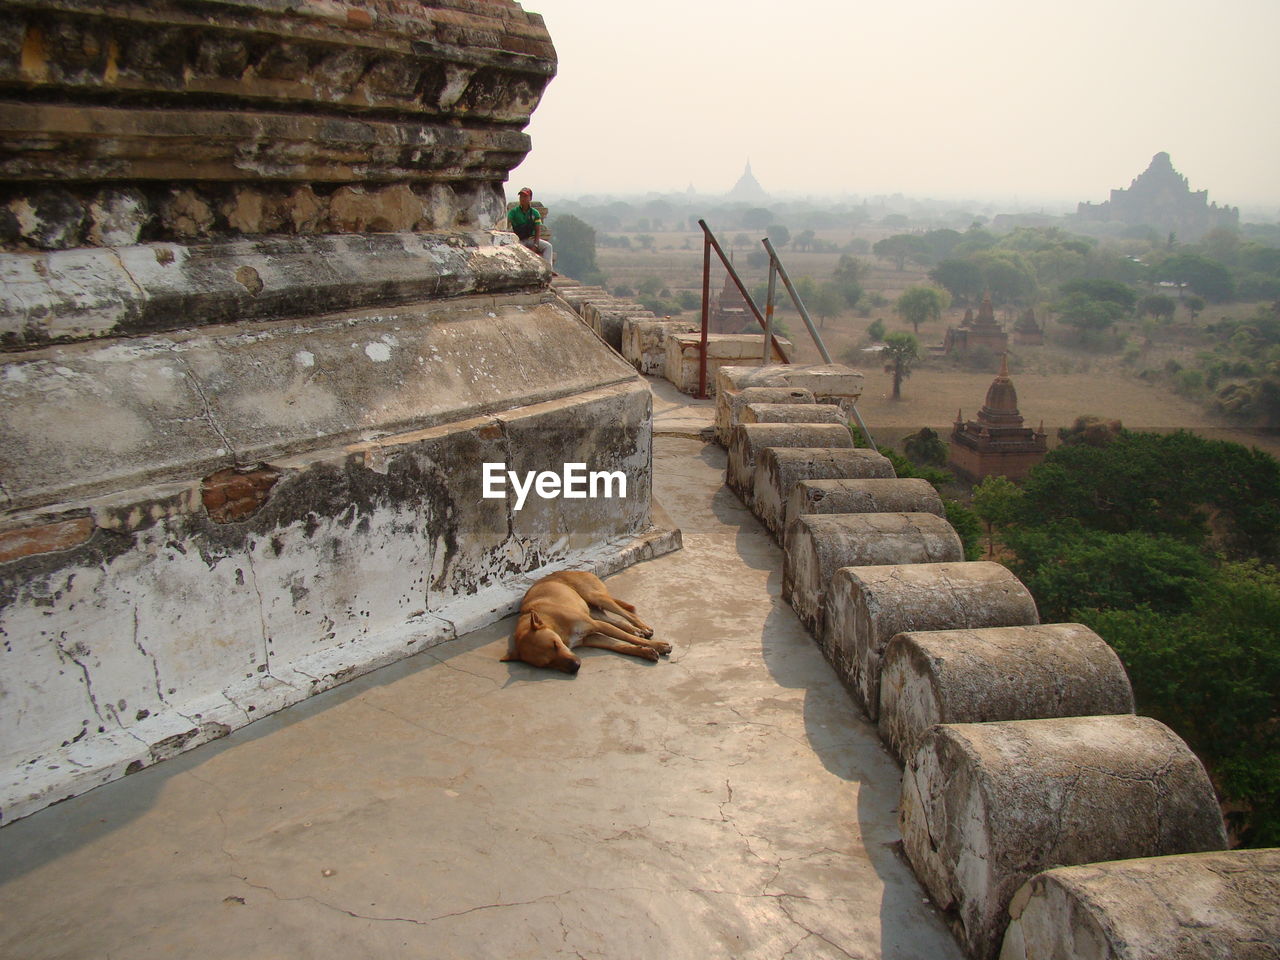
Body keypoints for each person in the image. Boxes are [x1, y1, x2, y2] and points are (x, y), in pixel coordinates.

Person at [508, 186, 554, 269]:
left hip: (531, 239)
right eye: (521, 196)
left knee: (548, 246)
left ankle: (548, 269)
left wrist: (535, 245)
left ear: (530, 198)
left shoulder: (535, 213)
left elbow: (537, 230)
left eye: (525, 196)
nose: (522, 199)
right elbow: (507, 224)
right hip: (519, 240)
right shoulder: (514, 212)